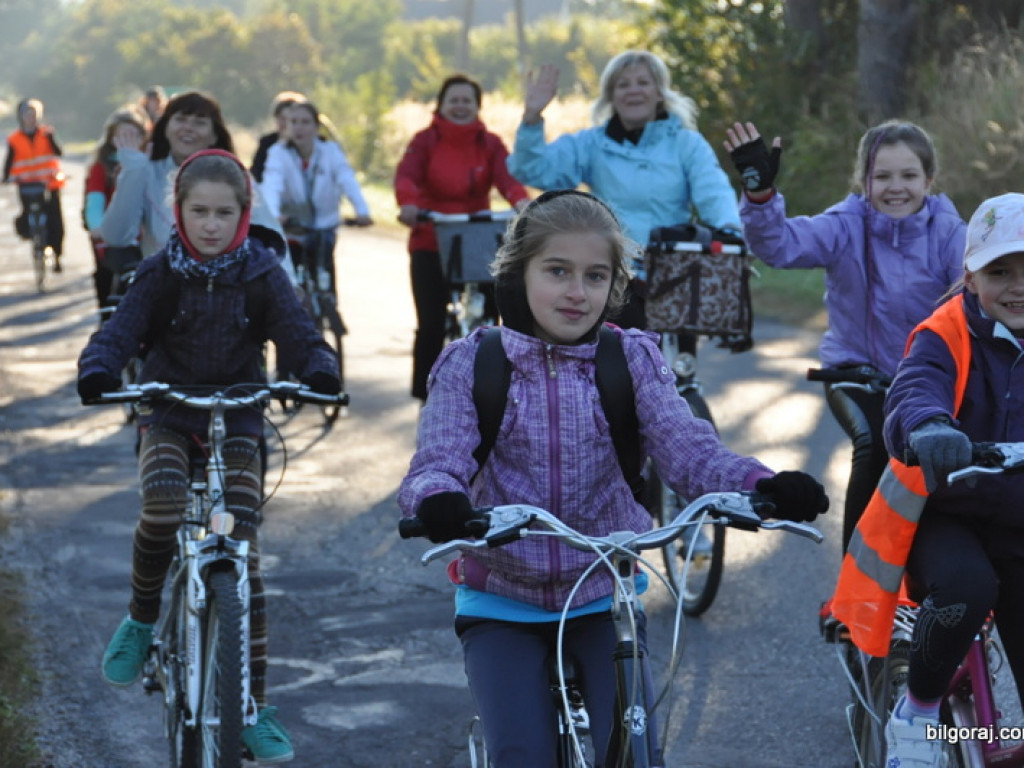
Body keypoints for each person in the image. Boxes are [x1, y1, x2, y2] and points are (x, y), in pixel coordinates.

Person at [397, 189, 829, 767]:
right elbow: (438, 458)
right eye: (557, 271)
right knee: (522, 755)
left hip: (603, 596)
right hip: (502, 600)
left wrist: (760, 486)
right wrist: (439, 499)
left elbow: (688, 448)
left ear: (614, 285)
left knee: (635, 754)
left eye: (595, 276)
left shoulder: (631, 359)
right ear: (518, 273)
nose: (578, 292)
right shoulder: (472, 363)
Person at [77, 150, 340, 764]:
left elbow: (299, 333)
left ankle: (252, 708)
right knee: (163, 508)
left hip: (240, 419)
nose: (212, 224)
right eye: (199, 211)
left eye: (225, 213)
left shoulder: (263, 272)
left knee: (242, 554)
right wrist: (99, 368)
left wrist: (319, 368)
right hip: (169, 415)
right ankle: (141, 620)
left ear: (245, 214)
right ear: (179, 212)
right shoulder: (158, 273)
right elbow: (119, 333)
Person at [831, 193, 1024, 765]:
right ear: (970, 276)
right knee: (966, 588)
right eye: (1000, 272)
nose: (1018, 287)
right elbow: (916, 386)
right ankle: (916, 714)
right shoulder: (946, 331)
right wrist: (930, 426)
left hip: (1018, 520)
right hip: (947, 512)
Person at [723, 119, 965, 553]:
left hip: (928, 379)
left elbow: (974, 295)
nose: (896, 187)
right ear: (863, 180)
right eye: (882, 176)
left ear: (928, 180)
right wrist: (761, 196)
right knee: (874, 443)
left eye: (908, 175)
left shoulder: (949, 232)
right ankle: (853, 579)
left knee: (949, 457)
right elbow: (779, 245)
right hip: (855, 373)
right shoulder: (845, 225)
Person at [506, 51, 741, 329]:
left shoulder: (687, 143)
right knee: (615, 350)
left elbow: (713, 191)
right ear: (611, 96)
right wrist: (532, 118)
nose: (633, 91)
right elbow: (532, 170)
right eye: (623, 84)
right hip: (613, 271)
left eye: (643, 82)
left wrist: (729, 230)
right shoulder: (591, 144)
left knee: (676, 351)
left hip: (674, 269)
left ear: (659, 93)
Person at [395, 73, 530, 402]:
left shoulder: (490, 143)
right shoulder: (424, 141)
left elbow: (508, 179)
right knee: (431, 324)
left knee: (494, 321)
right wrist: (409, 204)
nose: (460, 106)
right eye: (453, 100)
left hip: (478, 238)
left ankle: (494, 389)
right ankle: (426, 399)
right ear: (440, 105)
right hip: (431, 237)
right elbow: (407, 176)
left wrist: (523, 203)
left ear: (477, 106)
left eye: (466, 100)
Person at [100, 90, 285, 260]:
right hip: (164, 282)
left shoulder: (235, 176)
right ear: (165, 128)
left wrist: (286, 280)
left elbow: (271, 237)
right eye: (180, 119)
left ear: (214, 135)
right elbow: (116, 237)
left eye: (200, 122)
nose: (188, 128)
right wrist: (133, 172)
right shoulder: (146, 172)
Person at [260, 99, 373, 294]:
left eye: (305, 122)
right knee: (290, 275)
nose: (299, 128)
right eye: (294, 122)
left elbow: (347, 180)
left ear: (316, 127)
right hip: (293, 226)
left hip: (324, 226)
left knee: (324, 271)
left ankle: (329, 303)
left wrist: (362, 211)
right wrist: (274, 215)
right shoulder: (278, 153)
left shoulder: (331, 151)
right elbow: (272, 185)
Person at [83, 107, 148, 310]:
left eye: (133, 135)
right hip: (111, 235)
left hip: (144, 237)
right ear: (112, 138)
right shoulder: (101, 167)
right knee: (106, 274)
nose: (128, 140)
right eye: (122, 135)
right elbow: (95, 200)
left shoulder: (150, 162)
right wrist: (97, 226)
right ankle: (105, 315)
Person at [3, 98, 66, 271]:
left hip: (49, 184)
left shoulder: (47, 133)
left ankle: (57, 255)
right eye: (28, 115)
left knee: (55, 220)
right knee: (26, 213)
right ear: (21, 117)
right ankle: (32, 236)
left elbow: (59, 152)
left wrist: (51, 138)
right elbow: (9, 161)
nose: (31, 118)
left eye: (34, 115)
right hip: (27, 185)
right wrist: (6, 178)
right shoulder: (14, 138)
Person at [250, 90, 306, 185]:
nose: (285, 123)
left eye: (292, 119)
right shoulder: (267, 143)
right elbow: (257, 173)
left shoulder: (310, 143)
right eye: (281, 118)